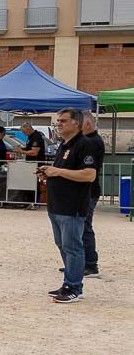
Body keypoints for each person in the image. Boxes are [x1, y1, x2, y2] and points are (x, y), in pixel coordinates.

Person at [38, 108, 101, 304]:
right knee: (62, 244)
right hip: (57, 205)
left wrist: (56, 171)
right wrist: (48, 173)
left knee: (73, 246)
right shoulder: (63, 145)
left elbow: (89, 175)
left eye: (63, 121)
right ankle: (69, 283)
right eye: (58, 121)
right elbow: (62, 171)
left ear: (76, 123)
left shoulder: (85, 145)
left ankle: (74, 286)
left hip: (72, 205)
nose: (59, 124)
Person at [80, 111, 105, 277]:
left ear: (88, 124)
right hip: (84, 191)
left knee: (85, 227)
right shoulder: (87, 140)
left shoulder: (92, 142)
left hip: (90, 191)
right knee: (79, 227)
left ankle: (91, 265)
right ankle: (80, 262)